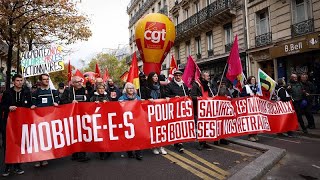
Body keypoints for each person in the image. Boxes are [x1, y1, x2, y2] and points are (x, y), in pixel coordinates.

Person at [1, 74, 31, 176]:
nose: (20, 82)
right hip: (9, 123)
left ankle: (18, 166)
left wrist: (32, 106)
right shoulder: (7, 92)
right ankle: (8, 166)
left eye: (21, 80)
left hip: (21, 122)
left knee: (19, 143)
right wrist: (8, 107)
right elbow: (2, 106)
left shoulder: (26, 92)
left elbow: (29, 105)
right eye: (17, 80)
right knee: (8, 144)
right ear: (13, 82)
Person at [31, 74, 59, 167]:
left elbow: (58, 101)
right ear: (40, 81)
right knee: (38, 138)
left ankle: (45, 157)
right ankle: (38, 158)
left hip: (49, 118)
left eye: (47, 79)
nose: (46, 81)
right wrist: (33, 106)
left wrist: (56, 103)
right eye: (44, 79)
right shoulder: (36, 92)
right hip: (38, 118)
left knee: (47, 138)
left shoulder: (53, 92)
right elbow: (33, 104)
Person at [60, 76, 90, 162]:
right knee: (74, 134)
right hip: (72, 116)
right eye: (77, 82)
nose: (80, 83)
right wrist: (71, 102)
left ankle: (82, 155)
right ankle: (75, 154)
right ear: (72, 83)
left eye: (80, 81)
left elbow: (88, 100)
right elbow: (62, 101)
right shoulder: (68, 91)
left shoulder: (84, 90)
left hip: (82, 115)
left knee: (82, 134)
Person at [190, 72, 216, 150]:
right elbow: (192, 96)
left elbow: (209, 94)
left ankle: (204, 142)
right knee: (200, 126)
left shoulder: (208, 84)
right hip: (199, 109)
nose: (209, 77)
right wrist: (198, 98)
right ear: (203, 77)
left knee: (206, 125)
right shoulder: (196, 84)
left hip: (207, 109)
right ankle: (201, 143)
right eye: (207, 76)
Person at [144, 72, 167, 155]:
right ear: (151, 78)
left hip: (160, 110)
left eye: (157, 76)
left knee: (161, 128)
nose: (156, 77)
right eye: (154, 76)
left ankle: (161, 146)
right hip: (151, 111)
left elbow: (164, 95)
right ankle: (154, 146)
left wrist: (166, 98)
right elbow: (143, 99)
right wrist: (148, 99)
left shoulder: (160, 86)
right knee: (153, 129)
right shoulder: (146, 87)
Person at [165, 70, 189, 153]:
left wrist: (186, 97)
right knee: (176, 126)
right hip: (174, 110)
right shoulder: (169, 85)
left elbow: (187, 94)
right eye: (176, 75)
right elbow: (165, 96)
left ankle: (179, 142)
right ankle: (178, 143)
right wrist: (174, 97)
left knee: (181, 126)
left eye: (179, 75)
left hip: (182, 110)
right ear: (174, 76)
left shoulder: (184, 85)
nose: (178, 77)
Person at [118, 82, 143, 160]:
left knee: (137, 137)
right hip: (127, 121)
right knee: (128, 137)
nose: (131, 90)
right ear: (126, 90)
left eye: (132, 88)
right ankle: (129, 152)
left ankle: (138, 153)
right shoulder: (121, 98)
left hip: (136, 120)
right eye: (129, 88)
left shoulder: (138, 98)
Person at [90, 84, 111, 160]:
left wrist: (108, 103)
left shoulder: (108, 96)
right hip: (98, 119)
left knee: (107, 135)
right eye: (100, 88)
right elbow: (89, 108)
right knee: (100, 136)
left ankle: (108, 151)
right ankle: (101, 153)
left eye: (103, 88)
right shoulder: (93, 97)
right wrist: (93, 104)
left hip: (106, 118)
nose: (102, 90)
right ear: (97, 89)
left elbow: (113, 106)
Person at [240, 76, 259, 142]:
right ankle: (250, 135)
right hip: (249, 107)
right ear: (249, 80)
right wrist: (248, 95)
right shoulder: (246, 87)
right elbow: (241, 95)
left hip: (255, 106)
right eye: (252, 80)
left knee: (256, 121)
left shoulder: (256, 87)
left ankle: (255, 134)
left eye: (254, 79)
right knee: (251, 121)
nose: (253, 81)